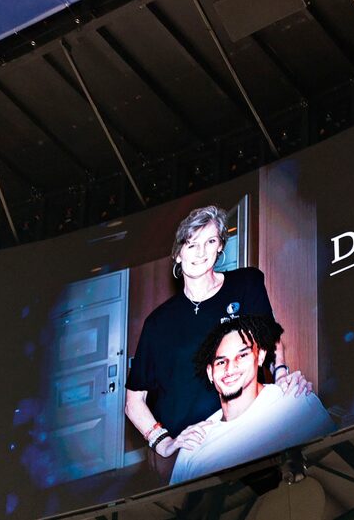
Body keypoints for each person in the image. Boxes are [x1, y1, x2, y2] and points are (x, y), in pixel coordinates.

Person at [125, 205, 310, 479]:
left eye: (210, 241)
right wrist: (163, 442)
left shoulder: (246, 283)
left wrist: (282, 375)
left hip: (249, 433)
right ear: (177, 254)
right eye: (191, 244)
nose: (200, 253)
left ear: (220, 247)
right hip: (196, 452)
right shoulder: (157, 323)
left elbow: (269, 339)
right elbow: (133, 401)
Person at [170, 315, 334, 484]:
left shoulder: (295, 402)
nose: (230, 368)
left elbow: (336, 466)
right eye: (221, 362)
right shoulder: (193, 445)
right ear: (210, 373)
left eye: (242, 355)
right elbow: (176, 507)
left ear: (261, 356)